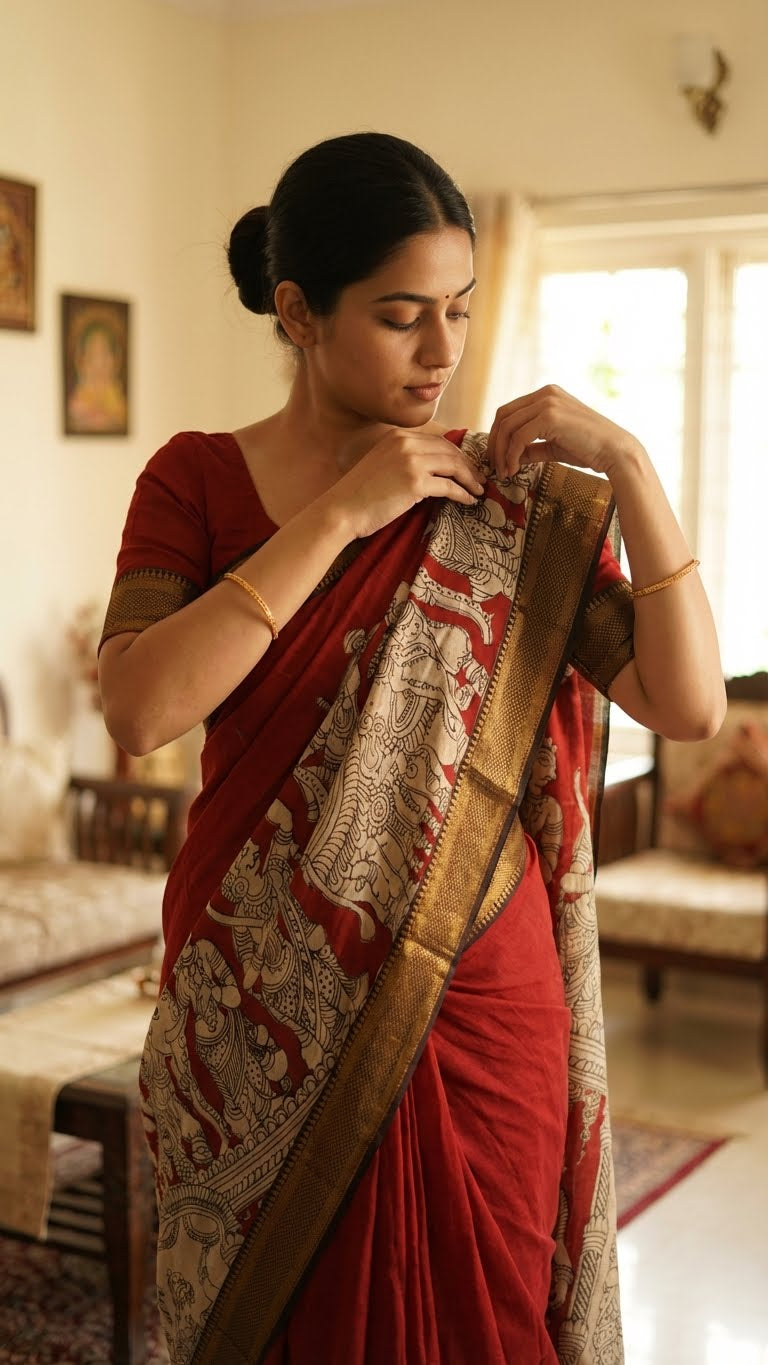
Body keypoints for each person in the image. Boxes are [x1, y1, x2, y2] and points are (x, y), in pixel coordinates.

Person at [98, 132, 725, 1365]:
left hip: (481, 1006)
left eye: (458, 312)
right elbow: (138, 709)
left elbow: (686, 700)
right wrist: (345, 511)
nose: (444, 353)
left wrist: (636, 470)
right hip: (253, 1006)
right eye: (401, 317)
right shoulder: (198, 482)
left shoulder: (511, 502)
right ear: (299, 312)